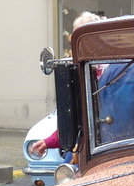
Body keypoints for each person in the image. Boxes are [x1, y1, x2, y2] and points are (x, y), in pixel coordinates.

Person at [29, 12, 103, 159]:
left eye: (83, 38)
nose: (78, 45)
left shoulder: (114, 69)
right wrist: (48, 141)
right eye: (75, 40)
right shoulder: (79, 70)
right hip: (84, 146)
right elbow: (75, 118)